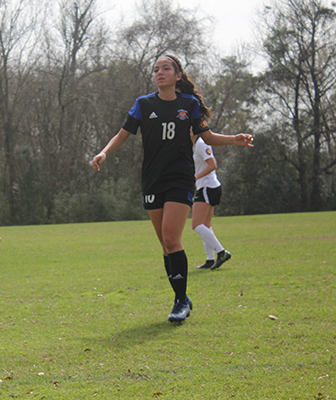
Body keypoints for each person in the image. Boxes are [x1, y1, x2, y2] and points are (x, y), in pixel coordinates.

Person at [92, 55, 253, 322]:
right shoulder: (143, 105)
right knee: (166, 246)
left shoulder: (189, 104)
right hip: (152, 180)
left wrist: (234, 140)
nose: (159, 72)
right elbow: (123, 134)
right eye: (155, 69)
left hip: (180, 178)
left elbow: (207, 136)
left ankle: (180, 301)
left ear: (178, 75)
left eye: (166, 68)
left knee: (171, 238)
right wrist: (104, 152)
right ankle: (182, 295)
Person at [191, 133, 230, 270]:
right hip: (207, 187)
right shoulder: (195, 145)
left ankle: (221, 252)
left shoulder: (201, 143)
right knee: (205, 225)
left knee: (196, 225)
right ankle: (209, 259)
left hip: (208, 187)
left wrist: (195, 177)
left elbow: (213, 164)